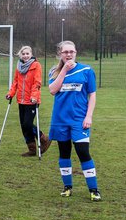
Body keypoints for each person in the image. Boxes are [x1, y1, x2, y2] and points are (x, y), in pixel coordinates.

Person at [47, 40, 100, 201]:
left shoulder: (86, 70)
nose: (69, 54)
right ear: (60, 54)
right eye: (65, 52)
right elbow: (52, 90)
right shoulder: (54, 72)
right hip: (60, 120)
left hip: (79, 120)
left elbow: (92, 95)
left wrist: (89, 116)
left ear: (76, 52)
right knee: (64, 153)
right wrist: (63, 70)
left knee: (83, 152)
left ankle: (94, 190)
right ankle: (67, 187)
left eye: (71, 51)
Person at [6, 45, 50, 157]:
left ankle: (43, 138)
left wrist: (34, 96)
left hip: (32, 100)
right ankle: (32, 149)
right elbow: (15, 82)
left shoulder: (36, 65)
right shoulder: (19, 66)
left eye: (27, 54)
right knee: (23, 125)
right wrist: (10, 93)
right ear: (21, 55)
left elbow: (37, 82)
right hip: (21, 100)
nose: (25, 56)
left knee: (28, 124)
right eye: (23, 54)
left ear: (31, 54)